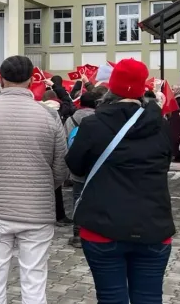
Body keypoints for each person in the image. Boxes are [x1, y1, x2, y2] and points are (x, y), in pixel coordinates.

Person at [66, 58, 175, 304]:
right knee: (149, 298)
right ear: (141, 89)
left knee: (110, 297)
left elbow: (75, 166)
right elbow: (165, 163)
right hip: (153, 225)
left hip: (102, 225)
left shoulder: (93, 124)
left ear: (111, 88)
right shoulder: (161, 125)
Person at [0, 55, 68, 304]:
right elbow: (60, 167)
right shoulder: (49, 116)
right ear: (32, 80)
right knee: (34, 279)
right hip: (37, 210)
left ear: (0, 79)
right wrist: (44, 186)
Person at [63, 86, 106, 248]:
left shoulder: (71, 119)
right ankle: (96, 232)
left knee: (77, 198)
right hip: (96, 164)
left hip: (76, 165)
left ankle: (77, 234)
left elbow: (66, 140)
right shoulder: (99, 119)